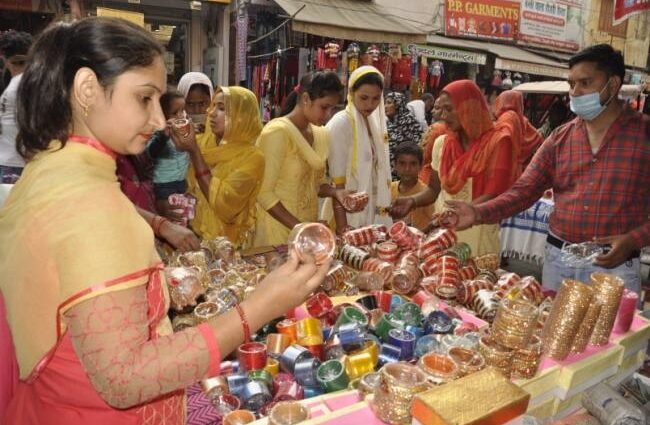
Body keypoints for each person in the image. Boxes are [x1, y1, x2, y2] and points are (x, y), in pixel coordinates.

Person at [0, 17, 329, 424]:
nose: (159, 121)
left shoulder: (50, 169)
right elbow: (125, 378)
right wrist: (260, 307)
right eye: (144, 99)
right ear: (87, 89)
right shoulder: (91, 204)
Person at [449, 44, 649, 294]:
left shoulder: (644, 134)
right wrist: (477, 213)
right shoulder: (559, 138)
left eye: (585, 83)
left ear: (613, 84)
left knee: (612, 335)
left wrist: (635, 239)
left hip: (614, 267)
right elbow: (524, 191)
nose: (575, 92)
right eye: (572, 84)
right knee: (549, 330)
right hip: (559, 262)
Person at [391, 80, 519, 256]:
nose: (442, 116)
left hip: (477, 240)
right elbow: (433, 189)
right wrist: (412, 201)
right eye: (440, 109)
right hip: (442, 238)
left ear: (470, 107)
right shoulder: (441, 144)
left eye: (449, 109)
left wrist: (461, 213)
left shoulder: (498, 143)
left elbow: (495, 196)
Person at [253, 71, 344, 247]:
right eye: (324, 107)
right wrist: (302, 228)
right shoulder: (277, 132)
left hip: (307, 231)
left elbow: (314, 184)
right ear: (305, 99)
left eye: (332, 108)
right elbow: (263, 193)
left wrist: (334, 192)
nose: (328, 115)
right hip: (277, 229)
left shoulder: (320, 134)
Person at [172, 86, 265, 248]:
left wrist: (194, 152)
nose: (211, 112)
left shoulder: (252, 157)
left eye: (221, 108)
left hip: (227, 246)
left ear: (241, 117)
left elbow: (224, 205)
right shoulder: (202, 142)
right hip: (190, 236)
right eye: (213, 106)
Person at [326, 66, 393, 231]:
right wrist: (343, 229)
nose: (370, 104)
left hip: (371, 208)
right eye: (364, 98)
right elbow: (337, 183)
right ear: (351, 93)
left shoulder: (375, 123)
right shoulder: (342, 123)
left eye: (376, 99)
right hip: (347, 213)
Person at [157, 71, 213, 220]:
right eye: (190, 104)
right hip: (176, 206)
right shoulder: (167, 133)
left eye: (202, 103)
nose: (196, 110)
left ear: (211, 102)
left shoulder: (220, 134)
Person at [147, 90, 190, 217]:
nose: (181, 115)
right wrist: (163, 136)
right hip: (163, 185)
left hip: (181, 182)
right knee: (169, 215)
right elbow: (150, 152)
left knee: (180, 215)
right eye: (175, 113)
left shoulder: (184, 130)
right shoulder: (158, 132)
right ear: (162, 115)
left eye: (183, 110)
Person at [0, 30, 32, 183]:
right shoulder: (22, 83)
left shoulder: (17, 84)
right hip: (16, 163)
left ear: (5, 59)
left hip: (12, 162)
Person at [390, 143, 435, 232]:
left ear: (421, 166)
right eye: (402, 163)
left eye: (413, 164)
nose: (407, 169)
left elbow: (435, 222)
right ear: (394, 165)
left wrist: (416, 236)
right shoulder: (389, 189)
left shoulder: (426, 194)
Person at [495, 90, 544, 166]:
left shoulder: (507, 117)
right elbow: (538, 138)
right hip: (524, 167)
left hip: (508, 165)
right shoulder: (522, 119)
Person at [385, 91, 423, 180]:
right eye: (385, 103)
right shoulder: (388, 123)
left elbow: (417, 146)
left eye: (389, 103)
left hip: (405, 171)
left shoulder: (408, 121)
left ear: (398, 104)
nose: (385, 106)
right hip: (388, 171)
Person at [419, 96, 448, 184]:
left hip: (427, 176)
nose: (432, 111)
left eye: (437, 108)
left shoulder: (436, 128)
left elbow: (424, 156)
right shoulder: (454, 130)